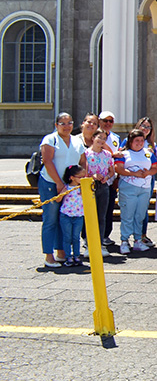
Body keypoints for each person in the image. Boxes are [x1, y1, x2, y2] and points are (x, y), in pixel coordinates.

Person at [38, 113, 86, 267]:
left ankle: (61, 252)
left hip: (70, 187)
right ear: (56, 125)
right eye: (62, 123)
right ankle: (48, 255)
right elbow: (47, 160)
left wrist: (78, 181)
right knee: (50, 219)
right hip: (51, 183)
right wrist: (59, 183)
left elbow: (83, 162)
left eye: (69, 123)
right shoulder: (50, 139)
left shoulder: (77, 141)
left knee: (63, 218)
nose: (66, 126)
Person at [115, 129, 157, 255]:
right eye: (136, 141)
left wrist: (148, 173)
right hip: (129, 187)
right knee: (127, 215)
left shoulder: (148, 153)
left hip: (144, 188)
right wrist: (134, 173)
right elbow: (119, 168)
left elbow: (155, 167)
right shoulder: (123, 154)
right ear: (130, 141)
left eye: (141, 140)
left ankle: (138, 239)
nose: (139, 143)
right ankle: (124, 240)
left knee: (140, 215)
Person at [79, 128, 114, 258]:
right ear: (93, 138)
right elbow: (83, 170)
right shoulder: (86, 153)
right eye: (99, 137)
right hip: (90, 186)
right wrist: (92, 175)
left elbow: (111, 171)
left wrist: (107, 177)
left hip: (104, 186)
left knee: (101, 216)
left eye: (104, 139)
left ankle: (100, 243)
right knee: (89, 216)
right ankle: (88, 243)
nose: (101, 141)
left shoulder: (107, 155)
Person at [57, 165, 87, 266]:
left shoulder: (82, 188)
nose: (83, 179)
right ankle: (68, 257)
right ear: (72, 177)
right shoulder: (67, 187)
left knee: (76, 237)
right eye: (80, 177)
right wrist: (62, 193)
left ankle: (77, 256)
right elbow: (58, 200)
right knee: (67, 237)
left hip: (79, 215)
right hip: (66, 215)